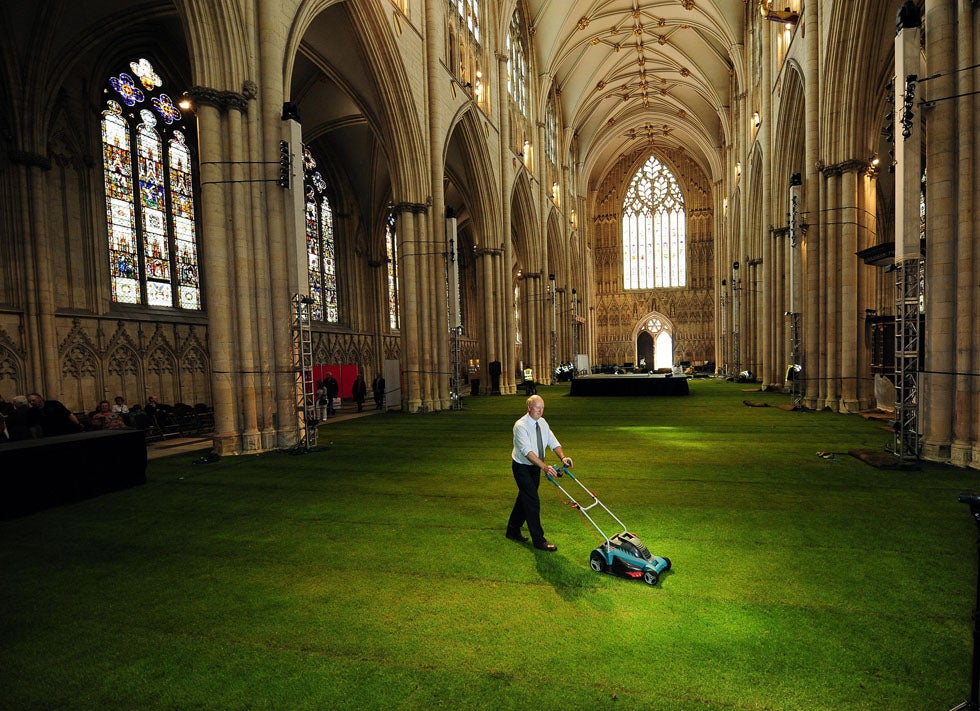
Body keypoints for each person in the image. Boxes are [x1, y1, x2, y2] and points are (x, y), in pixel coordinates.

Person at [506, 394, 573, 552]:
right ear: (529, 408)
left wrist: (563, 458)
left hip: (535, 468)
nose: (541, 411)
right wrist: (545, 467)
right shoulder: (520, 426)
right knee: (532, 502)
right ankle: (539, 540)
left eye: (543, 408)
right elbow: (527, 452)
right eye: (538, 408)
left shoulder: (542, 422)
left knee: (524, 499)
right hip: (522, 467)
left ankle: (512, 530)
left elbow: (553, 442)